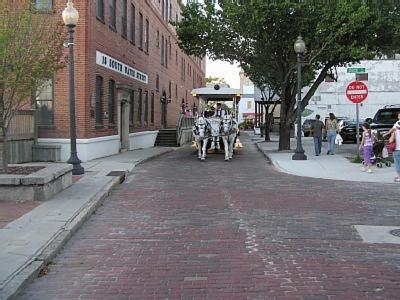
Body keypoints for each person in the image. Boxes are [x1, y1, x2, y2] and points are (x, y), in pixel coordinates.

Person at [384, 113, 400, 182]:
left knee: (397, 163)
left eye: (399, 115)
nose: (398, 116)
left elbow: (392, 130)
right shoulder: (397, 123)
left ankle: (399, 177)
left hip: (397, 148)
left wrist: (386, 134)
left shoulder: (397, 124)